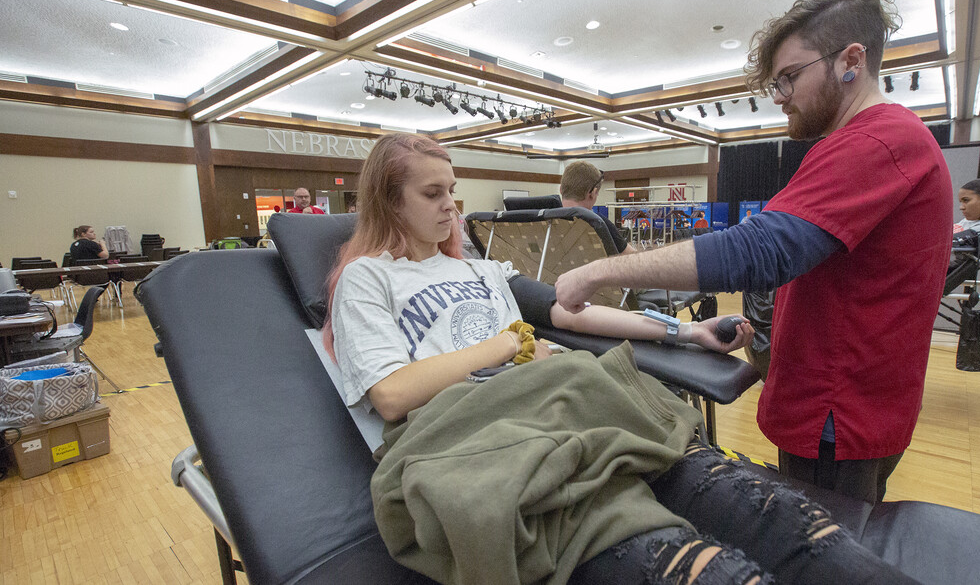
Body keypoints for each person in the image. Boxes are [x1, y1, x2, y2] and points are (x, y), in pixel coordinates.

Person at [323, 132, 918, 585]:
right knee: (698, 567)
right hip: (479, 433)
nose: (452, 206)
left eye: (452, 190)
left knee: (769, 512)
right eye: (433, 194)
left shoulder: (478, 269)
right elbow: (392, 394)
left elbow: (569, 311)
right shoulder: (367, 279)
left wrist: (683, 333)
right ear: (387, 200)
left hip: (566, 405)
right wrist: (511, 344)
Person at [556, 0, 953, 505]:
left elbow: (760, 251)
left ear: (850, 61)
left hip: (839, 410)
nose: (779, 95)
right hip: (839, 400)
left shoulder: (877, 142)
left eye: (789, 77)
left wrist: (599, 271)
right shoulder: (867, 143)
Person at [560, 161, 635, 254]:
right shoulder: (598, 222)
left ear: (561, 190)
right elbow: (632, 257)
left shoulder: (546, 218)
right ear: (593, 193)